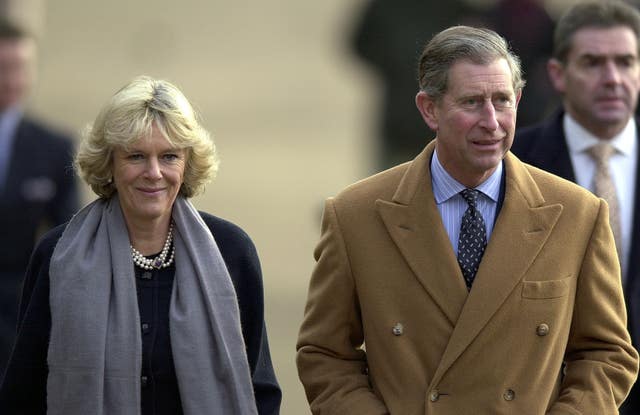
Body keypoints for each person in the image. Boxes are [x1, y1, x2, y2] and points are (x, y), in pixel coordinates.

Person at [297, 25, 638, 414]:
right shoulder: (355, 215)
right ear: (430, 109)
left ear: (519, 101)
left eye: (502, 101)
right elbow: (324, 353)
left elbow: (607, 354)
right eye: (472, 102)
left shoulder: (578, 214)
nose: (491, 121)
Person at [0, 76, 281, 414]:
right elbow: (22, 394)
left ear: (188, 163)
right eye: (136, 156)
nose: (154, 172)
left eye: (169, 156)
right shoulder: (57, 253)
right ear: (110, 163)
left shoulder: (231, 252)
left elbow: (260, 390)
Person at [510, 2, 640, 412]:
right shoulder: (512, 164)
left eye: (625, 61)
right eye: (593, 63)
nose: (612, 79)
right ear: (558, 75)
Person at [0, 19, 79, 380]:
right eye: (3, 68)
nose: (12, 79)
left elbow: (71, 241)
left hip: (18, 318)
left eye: (20, 68)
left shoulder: (53, 148)